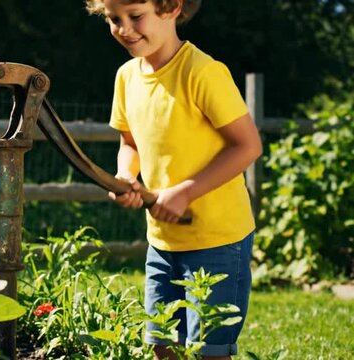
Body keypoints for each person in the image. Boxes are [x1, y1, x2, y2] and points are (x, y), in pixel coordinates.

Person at [84, 0, 262, 359]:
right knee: (161, 344)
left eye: (135, 16)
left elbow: (248, 146)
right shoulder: (127, 77)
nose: (124, 29)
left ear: (171, 8)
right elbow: (129, 143)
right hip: (163, 242)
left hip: (218, 240)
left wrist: (185, 192)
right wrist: (124, 177)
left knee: (208, 350)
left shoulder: (203, 72)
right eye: (113, 19)